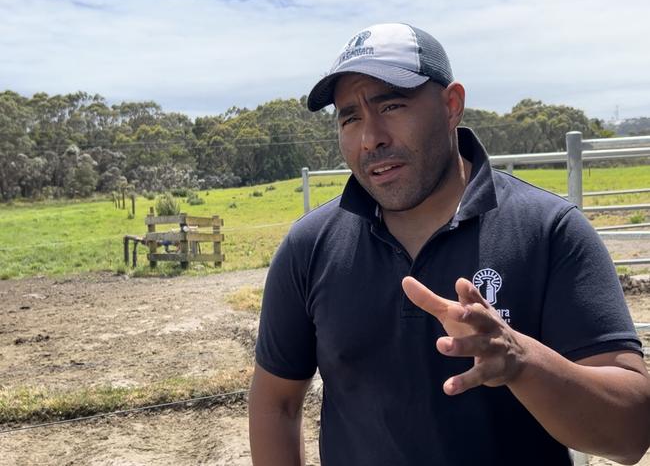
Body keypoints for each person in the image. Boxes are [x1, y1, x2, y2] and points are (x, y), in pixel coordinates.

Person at [248, 23, 650, 466]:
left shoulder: (549, 231)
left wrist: (520, 362)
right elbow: (276, 403)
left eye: (392, 105)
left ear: (451, 104)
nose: (371, 137)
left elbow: (632, 433)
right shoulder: (309, 247)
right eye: (350, 118)